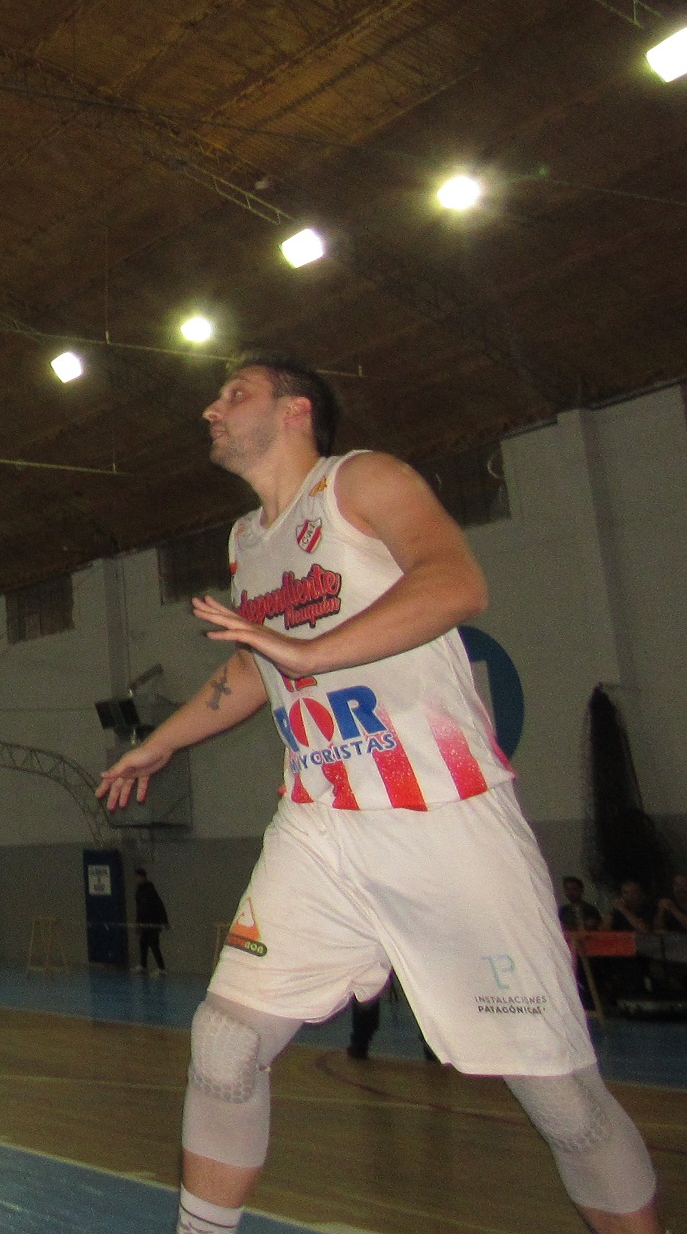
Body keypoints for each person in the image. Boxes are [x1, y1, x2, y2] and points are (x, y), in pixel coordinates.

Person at [97, 354, 660, 1234]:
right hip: (321, 822)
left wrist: (316, 654)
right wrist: (160, 742)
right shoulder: (249, 541)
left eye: (233, 393)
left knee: (560, 1097)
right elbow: (256, 661)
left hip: (442, 816)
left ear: (295, 410)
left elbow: (455, 582)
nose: (210, 407)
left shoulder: (362, 481)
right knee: (226, 1039)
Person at [134, 867, 170, 975]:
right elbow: (139, 909)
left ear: (142, 877)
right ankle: (143, 965)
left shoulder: (150, 890)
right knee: (143, 943)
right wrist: (138, 923)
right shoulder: (138, 891)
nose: (135, 879)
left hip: (153, 922)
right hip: (144, 922)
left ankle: (162, 968)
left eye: (136, 877)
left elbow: (159, 905)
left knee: (154, 944)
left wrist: (164, 921)